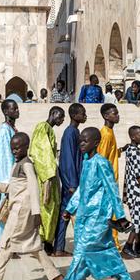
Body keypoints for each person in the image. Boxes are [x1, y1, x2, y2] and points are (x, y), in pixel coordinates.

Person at [48, 128, 137, 280]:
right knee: (107, 251)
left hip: (98, 216)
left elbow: (112, 189)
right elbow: (83, 189)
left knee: (82, 249)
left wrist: (120, 216)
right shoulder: (87, 162)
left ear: (96, 143)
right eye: (80, 140)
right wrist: (70, 208)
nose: (81, 143)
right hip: (84, 215)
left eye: (85, 141)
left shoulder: (102, 163)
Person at [0, 133, 64, 280]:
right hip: (18, 210)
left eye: (18, 148)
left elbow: (33, 188)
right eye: (12, 148)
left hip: (22, 212)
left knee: (6, 244)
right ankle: (55, 276)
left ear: (26, 147)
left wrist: (36, 213)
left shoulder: (27, 165)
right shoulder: (17, 164)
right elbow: (15, 187)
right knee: (34, 247)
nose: (15, 151)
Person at [29, 106, 65, 254]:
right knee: (46, 207)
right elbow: (41, 152)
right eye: (60, 116)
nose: (62, 119)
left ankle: (47, 241)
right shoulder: (42, 127)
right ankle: (43, 242)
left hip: (51, 175)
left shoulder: (49, 129)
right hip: (46, 177)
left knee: (52, 208)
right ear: (53, 114)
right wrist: (48, 176)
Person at [54, 103, 86, 257]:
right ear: (74, 115)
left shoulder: (75, 132)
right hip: (71, 184)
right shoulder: (69, 133)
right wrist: (72, 184)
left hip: (75, 182)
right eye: (82, 113)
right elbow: (67, 160)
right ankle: (60, 248)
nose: (85, 116)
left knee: (65, 216)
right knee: (67, 215)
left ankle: (59, 248)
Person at [121, 126, 140, 259]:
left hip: (134, 188)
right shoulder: (133, 151)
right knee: (138, 218)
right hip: (137, 189)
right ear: (133, 137)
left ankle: (138, 245)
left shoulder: (131, 149)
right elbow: (138, 174)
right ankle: (128, 246)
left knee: (139, 216)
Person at [0, 99, 19, 241]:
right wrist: (10, 180)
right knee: (5, 212)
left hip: (12, 178)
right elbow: (6, 157)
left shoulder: (11, 128)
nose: (17, 111)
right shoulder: (4, 131)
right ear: (6, 112)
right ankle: (4, 243)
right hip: (6, 178)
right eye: (14, 109)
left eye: (17, 108)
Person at [98, 103, 122, 249]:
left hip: (111, 179)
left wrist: (120, 151)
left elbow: (110, 154)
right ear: (106, 116)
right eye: (115, 113)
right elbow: (102, 158)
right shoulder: (105, 134)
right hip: (108, 181)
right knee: (112, 215)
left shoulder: (110, 132)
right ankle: (114, 245)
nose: (117, 115)